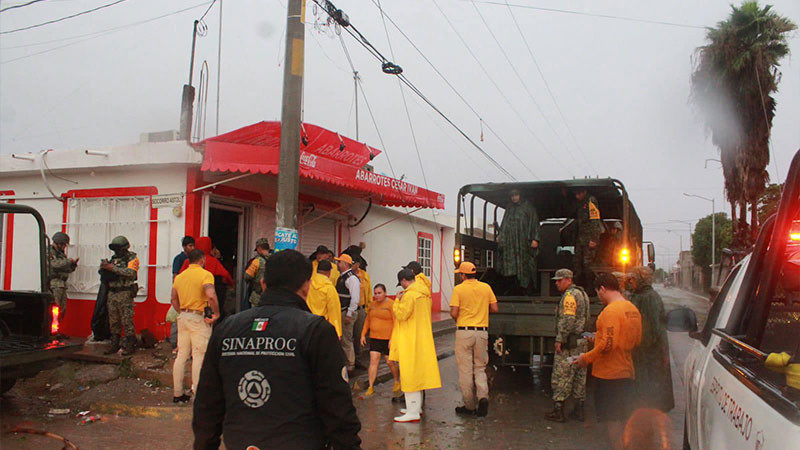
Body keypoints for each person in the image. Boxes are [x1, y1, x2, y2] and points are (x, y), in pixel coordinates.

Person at [192, 250, 361, 449]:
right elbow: (337, 407)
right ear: (307, 286)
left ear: (263, 283)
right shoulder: (316, 331)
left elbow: (207, 405)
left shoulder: (226, 329)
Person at [575, 273, 642, 450]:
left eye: (598, 292)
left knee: (612, 420)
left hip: (609, 375)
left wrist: (585, 358)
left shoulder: (610, 311)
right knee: (624, 417)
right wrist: (596, 338)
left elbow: (608, 345)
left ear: (603, 289)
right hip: (627, 371)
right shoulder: (632, 309)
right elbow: (635, 339)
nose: (599, 296)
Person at [171, 249, 220, 403]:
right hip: (198, 318)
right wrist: (217, 314)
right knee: (199, 355)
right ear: (202, 260)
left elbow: (173, 299)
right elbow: (211, 295)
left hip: (183, 317)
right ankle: (198, 394)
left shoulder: (180, 277)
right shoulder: (205, 275)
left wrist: (183, 312)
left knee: (182, 355)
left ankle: (178, 393)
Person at [392, 269, 441, 423]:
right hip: (422, 337)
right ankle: (415, 407)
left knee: (410, 374)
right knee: (418, 373)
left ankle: (412, 411)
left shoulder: (410, 295)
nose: (402, 287)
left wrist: (397, 301)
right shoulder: (425, 294)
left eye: (401, 283)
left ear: (404, 281)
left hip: (410, 338)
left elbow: (401, 314)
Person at [450, 261, 498, 417]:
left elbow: (454, 313)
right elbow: (495, 308)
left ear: (463, 275)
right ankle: (483, 397)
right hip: (482, 332)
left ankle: (469, 405)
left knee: (465, 370)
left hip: (464, 331)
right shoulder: (486, 288)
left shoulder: (459, 289)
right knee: (480, 367)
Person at [545, 269, 591, 422]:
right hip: (581, 340)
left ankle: (558, 410)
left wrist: (560, 339)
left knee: (562, 374)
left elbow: (568, 320)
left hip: (570, 342)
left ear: (568, 280)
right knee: (579, 376)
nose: (556, 283)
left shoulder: (569, 296)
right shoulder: (583, 294)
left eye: (559, 280)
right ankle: (579, 410)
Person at [627, 266, 674, 412]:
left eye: (633, 279)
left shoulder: (649, 298)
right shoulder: (640, 295)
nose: (631, 282)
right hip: (645, 353)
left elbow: (650, 329)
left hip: (650, 354)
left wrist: (636, 347)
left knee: (650, 386)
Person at [100, 235, 140, 356]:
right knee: (114, 320)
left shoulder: (132, 258)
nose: (117, 252)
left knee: (127, 319)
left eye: (119, 249)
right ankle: (114, 342)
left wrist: (113, 268)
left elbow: (131, 273)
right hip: (112, 292)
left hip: (125, 292)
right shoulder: (113, 259)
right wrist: (105, 268)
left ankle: (129, 343)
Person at [497, 189, 541, 294]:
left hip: (524, 243)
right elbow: (504, 224)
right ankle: (513, 288)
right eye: (512, 195)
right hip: (511, 244)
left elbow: (535, 223)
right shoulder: (509, 209)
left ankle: (527, 289)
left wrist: (536, 238)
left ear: (520, 195)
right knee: (510, 267)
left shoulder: (528, 207)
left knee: (526, 266)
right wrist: (501, 236)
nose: (514, 197)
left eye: (516, 195)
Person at [360, 284, 399, 396]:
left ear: (385, 293)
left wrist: (393, 338)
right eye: (375, 293)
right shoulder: (372, 305)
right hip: (375, 337)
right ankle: (371, 386)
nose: (377, 296)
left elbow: (396, 322)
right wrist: (363, 334)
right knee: (373, 361)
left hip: (388, 338)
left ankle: (396, 381)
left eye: (379, 293)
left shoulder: (391, 304)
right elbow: (367, 320)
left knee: (389, 362)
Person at [181, 237, 234, 318]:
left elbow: (180, 278)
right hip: (210, 296)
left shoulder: (188, 261)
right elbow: (225, 274)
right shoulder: (214, 261)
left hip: (192, 301)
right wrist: (231, 284)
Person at [335, 253, 361, 374]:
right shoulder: (343, 277)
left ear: (345, 264)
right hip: (342, 311)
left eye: (339, 262)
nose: (338, 264)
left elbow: (355, 298)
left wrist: (349, 314)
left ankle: (350, 365)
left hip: (346, 312)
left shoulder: (351, 279)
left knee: (346, 339)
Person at [574, 188, 604, 289]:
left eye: (578, 194)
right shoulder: (580, 204)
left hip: (589, 240)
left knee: (588, 266)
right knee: (577, 264)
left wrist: (594, 239)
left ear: (584, 192)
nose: (576, 196)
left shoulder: (591, 201)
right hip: (581, 240)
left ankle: (591, 290)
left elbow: (595, 220)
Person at [306, 259, 342, 337]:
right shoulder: (329, 288)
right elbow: (334, 312)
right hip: (322, 326)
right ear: (329, 272)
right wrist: (337, 332)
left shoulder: (307, 285)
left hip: (307, 323)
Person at [48, 232, 78, 325]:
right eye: (64, 245)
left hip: (62, 284)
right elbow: (55, 264)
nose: (65, 247)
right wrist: (68, 261)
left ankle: (56, 329)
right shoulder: (50, 251)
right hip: (54, 284)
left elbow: (66, 269)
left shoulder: (61, 254)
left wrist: (72, 265)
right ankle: (50, 330)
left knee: (62, 309)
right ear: (59, 243)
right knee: (55, 309)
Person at [244, 238, 272, 307]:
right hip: (272, 297)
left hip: (258, 296)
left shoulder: (257, 261)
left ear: (259, 249)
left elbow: (246, 276)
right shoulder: (276, 259)